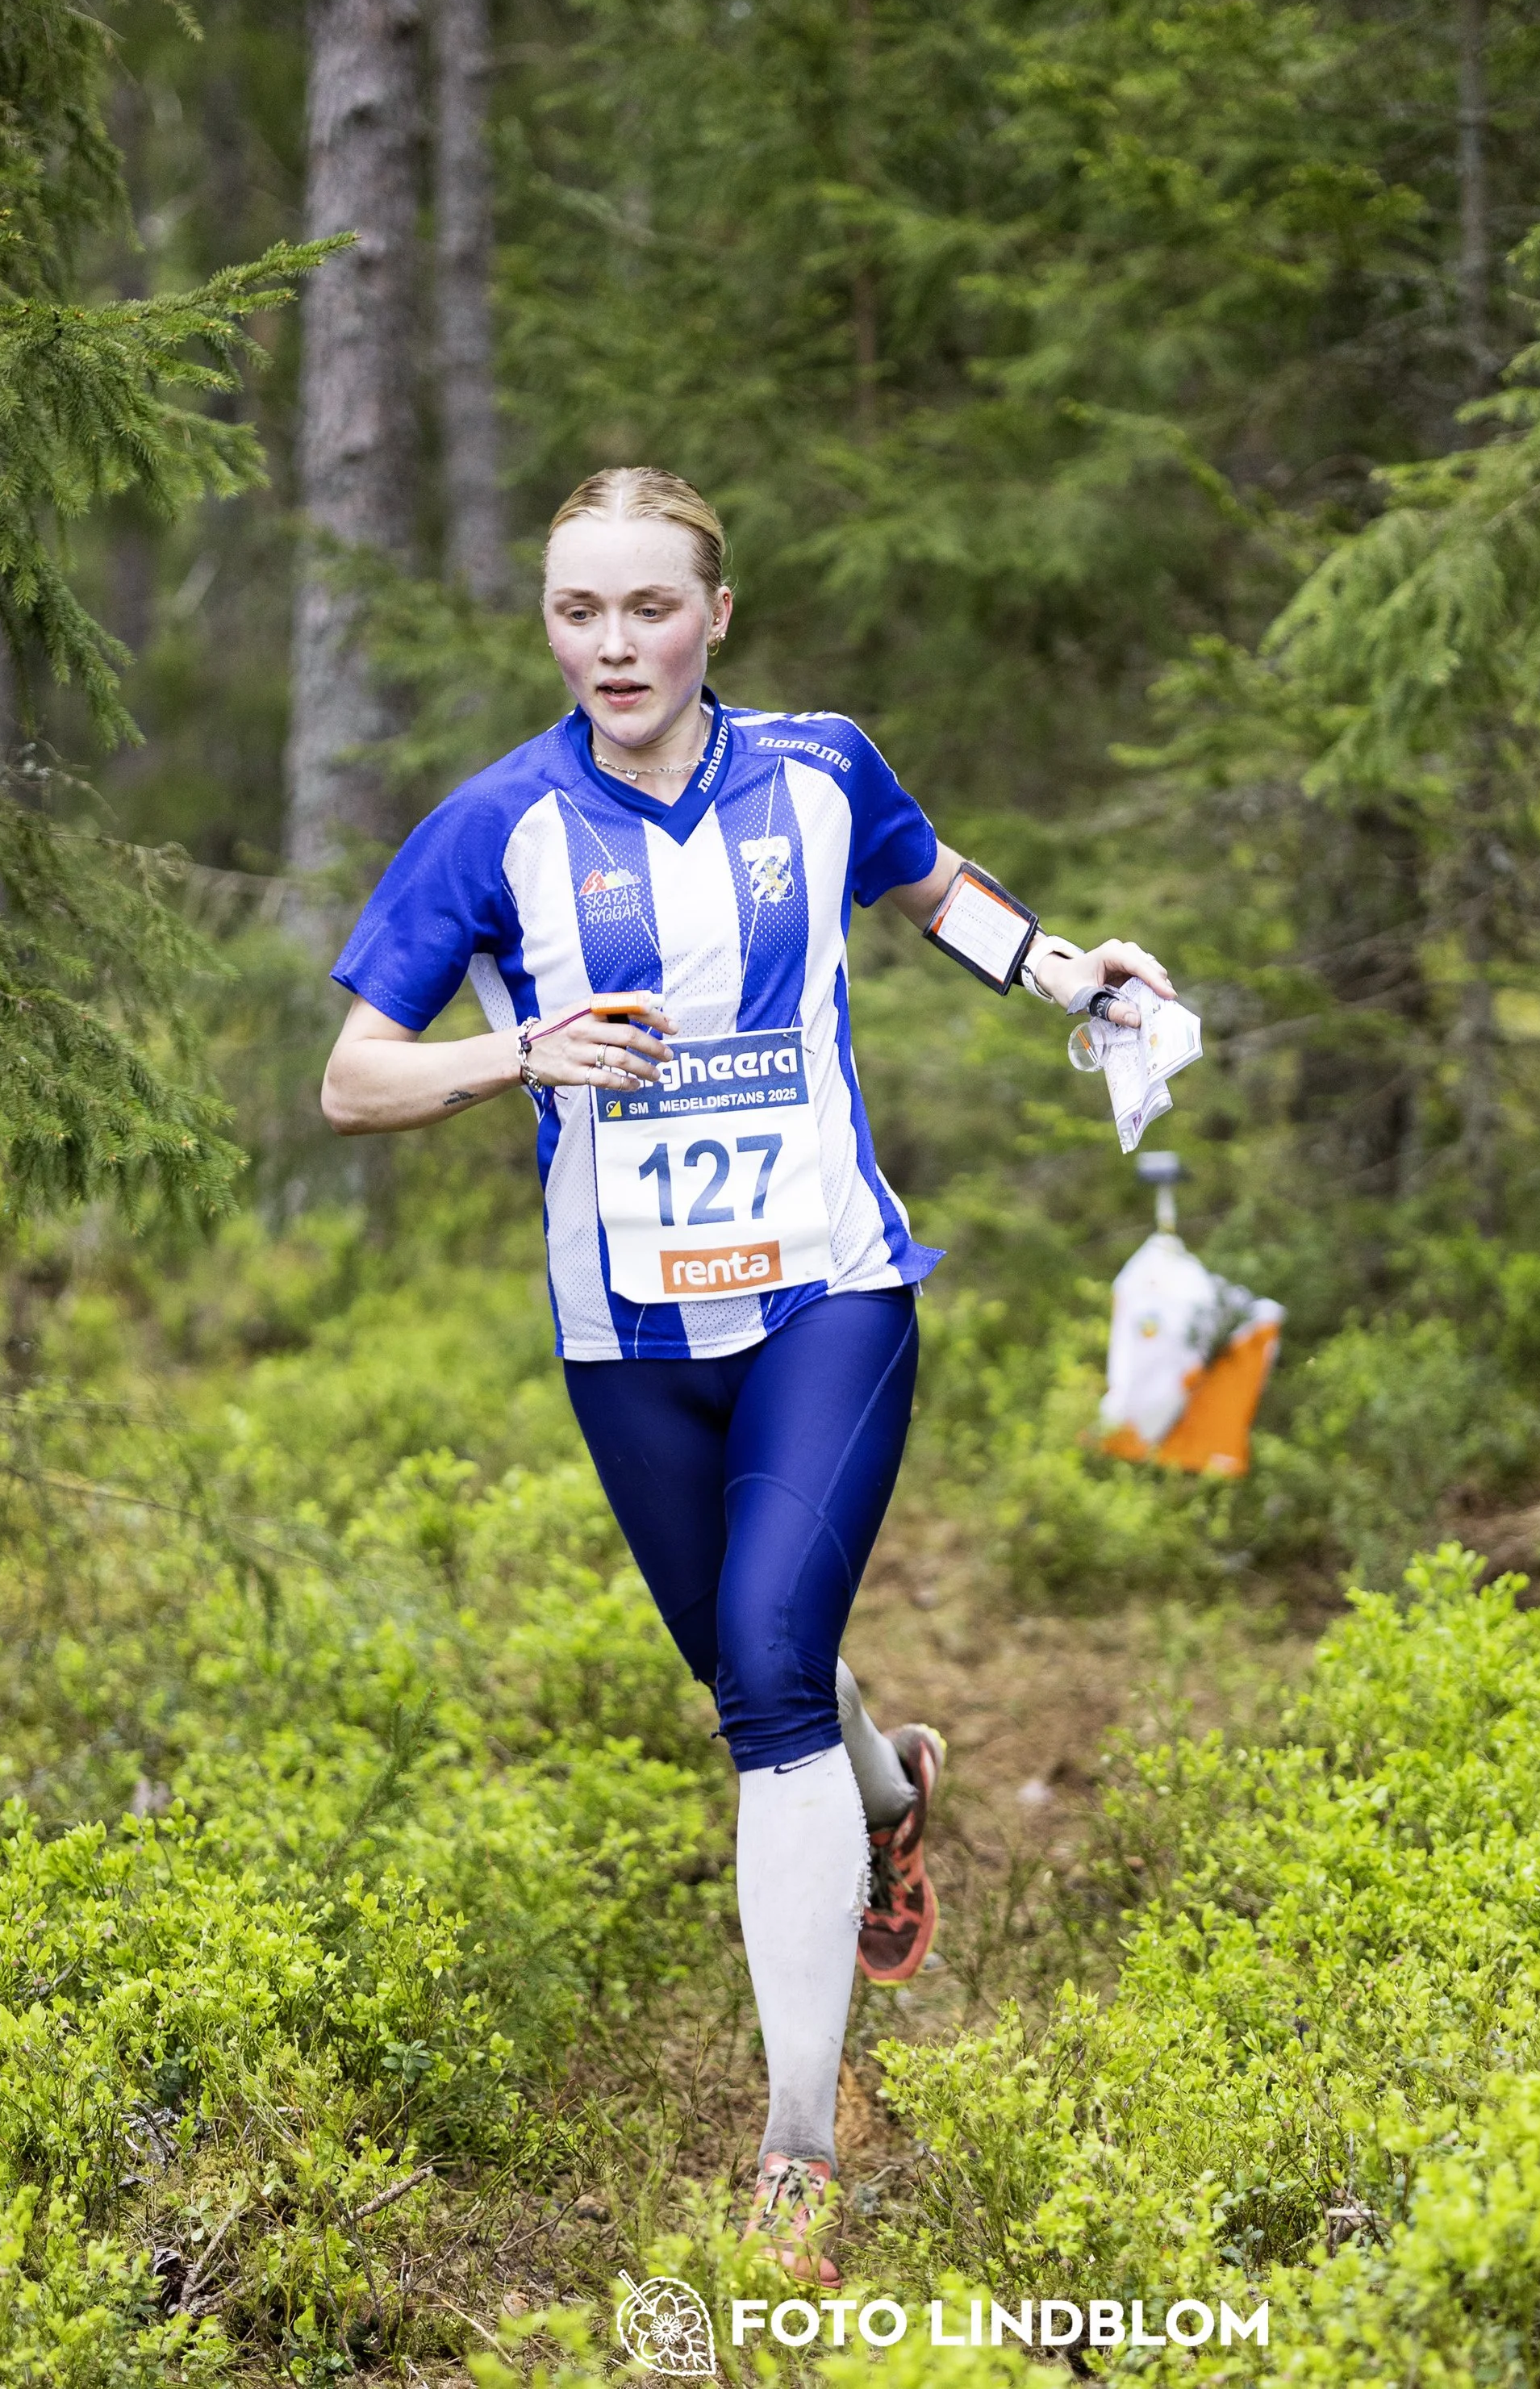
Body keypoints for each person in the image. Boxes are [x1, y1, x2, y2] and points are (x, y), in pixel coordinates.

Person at [319, 466, 1175, 2285]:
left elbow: (930, 888)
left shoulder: (819, 765)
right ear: (547, 626)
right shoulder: (493, 826)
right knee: (742, 1649)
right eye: (577, 613)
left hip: (826, 1289)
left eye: (647, 607)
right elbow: (352, 1076)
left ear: (719, 612)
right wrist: (519, 1059)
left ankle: (796, 2144)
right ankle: (891, 1788)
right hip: (621, 1327)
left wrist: (1066, 973)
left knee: (767, 1683)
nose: (612, 644)